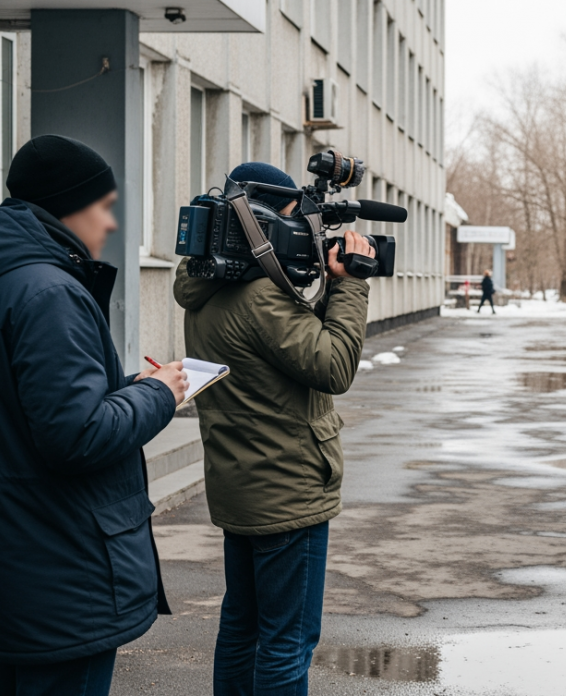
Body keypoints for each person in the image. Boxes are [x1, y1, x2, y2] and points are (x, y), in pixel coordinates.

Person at [0, 135, 189, 696]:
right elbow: (76, 435)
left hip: (18, 560)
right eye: (104, 208)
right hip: (62, 566)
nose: (110, 225)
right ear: (68, 207)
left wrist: (132, 387)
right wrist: (161, 395)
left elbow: (33, 410)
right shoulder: (49, 292)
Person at [173, 162, 373, 696]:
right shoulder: (261, 299)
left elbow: (292, 355)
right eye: (290, 222)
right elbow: (334, 367)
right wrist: (350, 288)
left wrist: (325, 285)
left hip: (243, 484)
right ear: (257, 225)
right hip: (287, 489)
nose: (299, 235)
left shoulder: (207, 291)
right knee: (287, 640)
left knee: (243, 627)